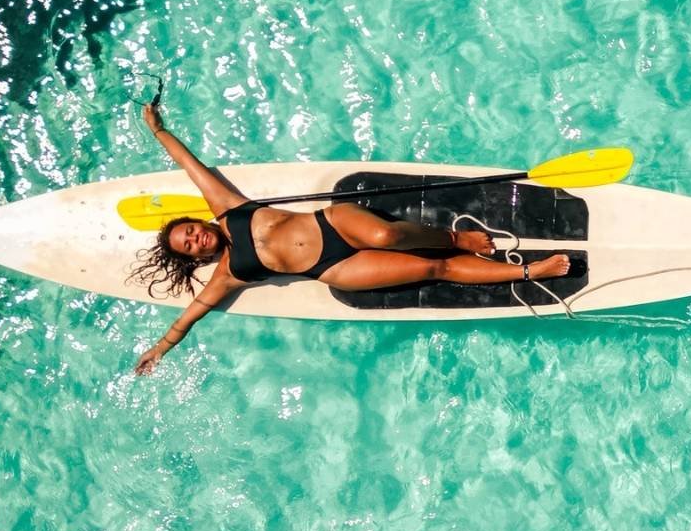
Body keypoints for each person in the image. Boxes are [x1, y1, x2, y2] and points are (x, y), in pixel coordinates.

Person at [130, 102, 570, 373]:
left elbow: (190, 164)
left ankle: (458, 239)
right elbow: (189, 316)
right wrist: (159, 350)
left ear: (197, 222)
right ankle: (531, 271)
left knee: (386, 232)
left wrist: (158, 130)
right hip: (332, 268)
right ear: (194, 258)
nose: (194, 240)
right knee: (430, 269)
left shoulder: (226, 209)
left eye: (189, 231)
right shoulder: (228, 274)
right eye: (188, 247)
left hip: (332, 223)